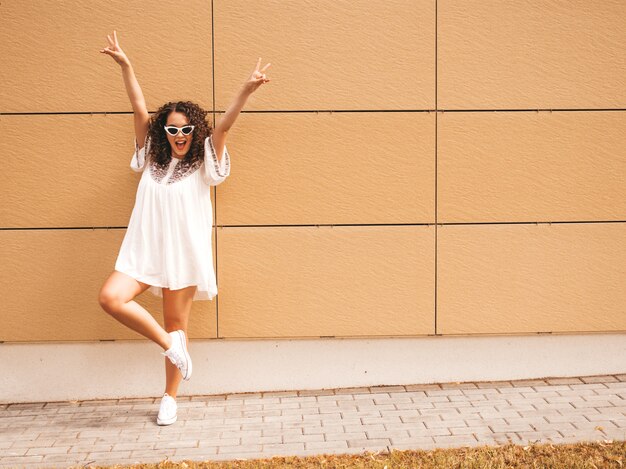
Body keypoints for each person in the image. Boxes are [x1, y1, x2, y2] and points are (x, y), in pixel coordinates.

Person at [97, 30, 270, 425]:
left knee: (178, 324)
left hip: (181, 253)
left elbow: (224, 126)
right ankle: (170, 347)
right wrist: (126, 66)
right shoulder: (150, 159)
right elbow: (139, 108)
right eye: (172, 129)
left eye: (186, 129)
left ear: (196, 131)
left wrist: (245, 91)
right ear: (164, 132)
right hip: (142, 251)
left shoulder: (206, 162)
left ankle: (169, 398)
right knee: (111, 298)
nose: (178, 136)